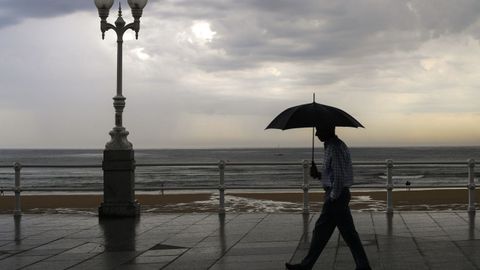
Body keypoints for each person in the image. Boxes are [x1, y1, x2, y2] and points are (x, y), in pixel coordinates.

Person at [286, 125, 371, 270]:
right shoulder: (334, 146)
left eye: (318, 130)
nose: (316, 134)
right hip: (337, 195)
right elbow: (332, 175)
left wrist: (332, 197)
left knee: (328, 232)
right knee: (341, 233)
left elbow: (338, 176)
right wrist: (319, 174)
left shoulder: (335, 148)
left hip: (336, 196)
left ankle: (306, 266)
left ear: (328, 130)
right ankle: (363, 266)